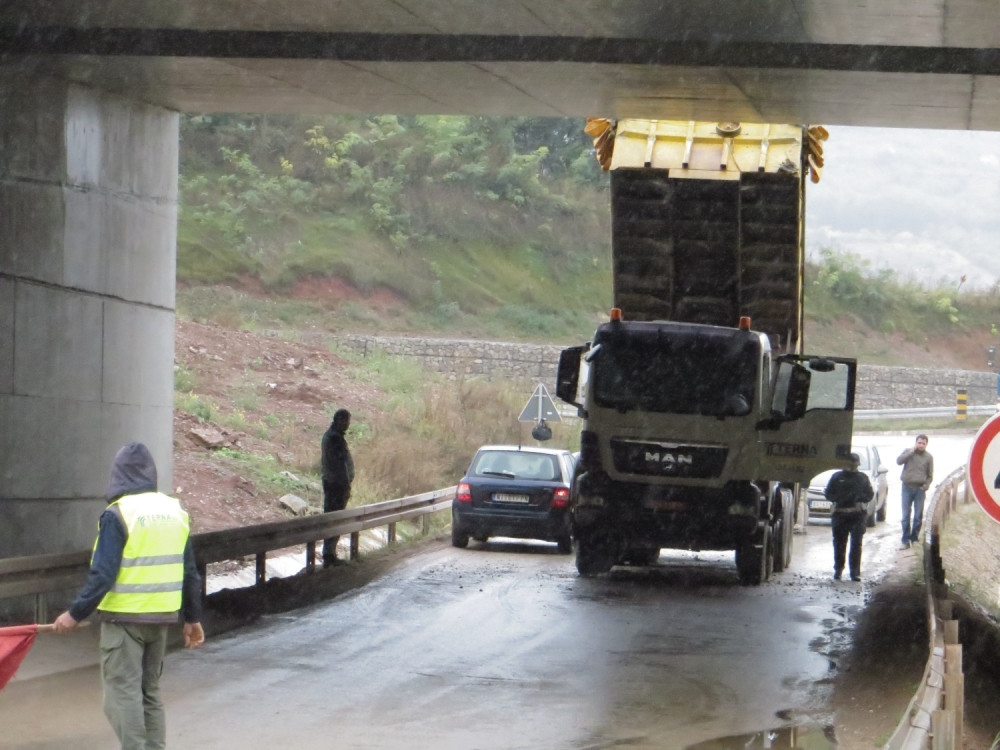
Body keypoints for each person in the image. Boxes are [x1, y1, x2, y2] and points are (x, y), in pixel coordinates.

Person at [52, 442, 204, 750]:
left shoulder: (118, 514)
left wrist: (75, 613)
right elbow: (190, 572)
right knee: (149, 692)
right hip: (160, 620)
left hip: (124, 622)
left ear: (118, 475)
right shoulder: (174, 511)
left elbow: (103, 574)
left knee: (121, 695)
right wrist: (193, 618)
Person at [826, 452, 874, 582]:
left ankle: (855, 573)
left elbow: (870, 495)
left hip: (857, 515)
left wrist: (860, 499)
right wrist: (839, 499)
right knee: (839, 543)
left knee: (856, 544)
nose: (851, 467)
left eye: (854, 464)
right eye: (849, 464)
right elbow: (828, 493)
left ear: (857, 465)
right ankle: (838, 570)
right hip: (840, 514)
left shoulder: (862, 478)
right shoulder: (836, 477)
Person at [321, 408, 355, 567]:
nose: (348, 424)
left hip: (332, 484)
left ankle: (330, 552)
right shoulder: (335, 438)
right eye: (347, 421)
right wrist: (346, 484)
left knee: (332, 517)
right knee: (334, 519)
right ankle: (329, 554)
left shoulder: (332, 436)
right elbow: (340, 466)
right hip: (336, 486)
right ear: (340, 421)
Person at [897, 434, 934, 549]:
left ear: (926, 445)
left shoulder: (928, 457)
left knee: (918, 516)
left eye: (923, 443)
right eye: (919, 443)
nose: (921, 445)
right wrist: (911, 451)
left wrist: (926, 486)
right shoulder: (908, 452)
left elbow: (930, 475)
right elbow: (899, 461)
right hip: (907, 487)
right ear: (916, 443)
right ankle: (905, 540)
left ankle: (914, 538)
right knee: (905, 516)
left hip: (919, 489)